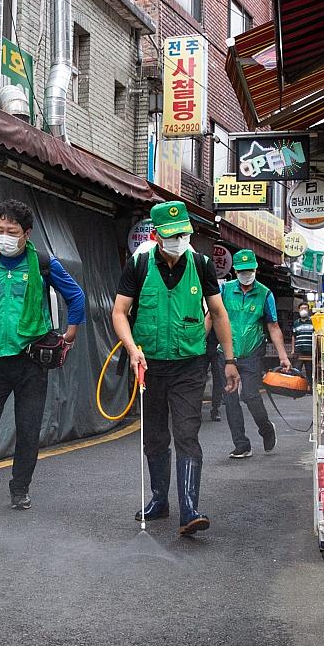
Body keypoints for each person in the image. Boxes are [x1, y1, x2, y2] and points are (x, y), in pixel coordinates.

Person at [111, 201, 238, 536]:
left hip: (189, 365)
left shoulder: (202, 264)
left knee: (186, 432)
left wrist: (229, 359)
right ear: (155, 235)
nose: (178, 240)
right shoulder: (138, 264)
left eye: (183, 233)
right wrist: (131, 349)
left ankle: (189, 508)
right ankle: (158, 499)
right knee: (154, 435)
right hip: (149, 365)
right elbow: (119, 312)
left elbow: (219, 313)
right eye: (171, 235)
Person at [0, 199, 86, 512]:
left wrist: (71, 331)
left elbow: (76, 296)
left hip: (30, 360)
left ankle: (20, 488)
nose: (3, 236)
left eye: (11, 231)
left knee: (27, 427)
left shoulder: (42, 264)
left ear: (27, 233)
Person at [220, 250, 293, 459]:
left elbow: (273, 326)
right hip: (225, 353)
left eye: (249, 270)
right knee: (230, 398)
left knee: (250, 395)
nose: (246, 274)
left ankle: (266, 428)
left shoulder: (265, 294)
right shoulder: (224, 290)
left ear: (256, 270)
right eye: (242, 270)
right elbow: (212, 316)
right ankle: (241, 445)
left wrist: (283, 356)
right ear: (235, 271)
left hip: (251, 353)